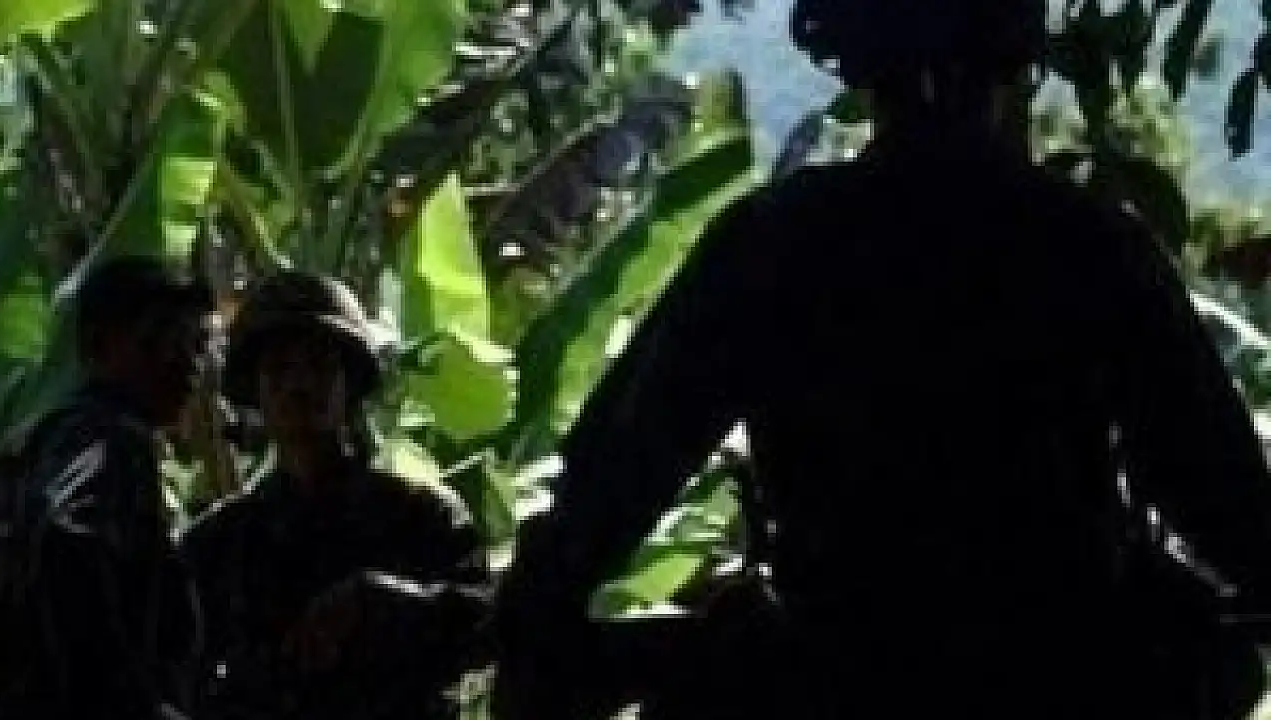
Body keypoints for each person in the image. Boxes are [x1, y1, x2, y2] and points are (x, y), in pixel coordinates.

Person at [490, 0, 1271, 717]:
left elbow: (615, 477)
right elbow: (1224, 498)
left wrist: (539, 614)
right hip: (1064, 681)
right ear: (1014, 53)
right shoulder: (1091, 246)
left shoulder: (772, 243)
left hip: (825, 675)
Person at [179, 270, 489, 720]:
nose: (299, 385)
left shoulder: (420, 516)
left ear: (350, 385)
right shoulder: (217, 545)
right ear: (255, 390)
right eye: (279, 369)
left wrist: (386, 603)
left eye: (319, 367)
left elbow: (491, 624)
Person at [0, 255, 211, 719]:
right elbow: (67, 540)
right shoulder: (109, 438)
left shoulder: (42, 441)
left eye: (197, 345)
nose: (187, 364)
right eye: (161, 340)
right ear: (98, 347)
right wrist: (130, 700)